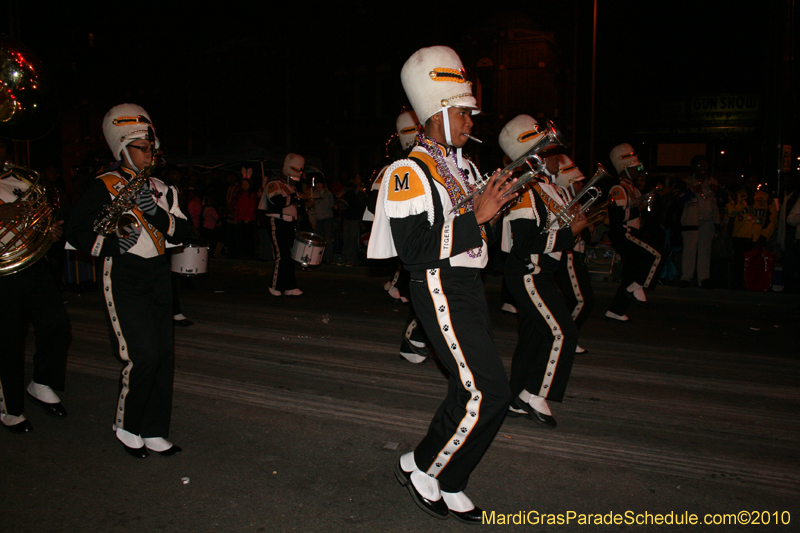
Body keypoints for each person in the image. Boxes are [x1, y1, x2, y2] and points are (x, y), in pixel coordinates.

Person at [369, 45, 515, 523]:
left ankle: (440, 473)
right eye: (463, 113)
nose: (472, 121)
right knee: (488, 391)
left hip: (465, 284)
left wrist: (493, 206)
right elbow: (413, 250)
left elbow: (471, 228)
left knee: (468, 387)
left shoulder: (463, 166)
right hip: (436, 284)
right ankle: (427, 471)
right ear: (436, 115)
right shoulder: (406, 172)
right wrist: (479, 216)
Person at [66, 103, 191, 458]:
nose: (150, 154)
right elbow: (75, 232)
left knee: (163, 355)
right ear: (122, 148)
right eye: (142, 147)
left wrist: (156, 213)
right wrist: (111, 245)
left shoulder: (163, 188)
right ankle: (127, 424)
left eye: (152, 148)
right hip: (123, 274)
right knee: (142, 355)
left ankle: (154, 429)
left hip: (158, 274)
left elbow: (183, 233)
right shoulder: (103, 186)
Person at [499, 115, 587, 429]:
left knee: (534, 337)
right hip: (528, 271)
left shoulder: (546, 188)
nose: (556, 159)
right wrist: (569, 232)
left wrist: (572, 223)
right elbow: (524, 244)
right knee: (563, 333)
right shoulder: (524, 189)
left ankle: (515, 396)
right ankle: (534, 394)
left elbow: (551, 232)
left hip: (541, 271)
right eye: (549, 152)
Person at [1, 164, 70, 433]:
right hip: (3, 273)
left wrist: (48, 231)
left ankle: (41, 382)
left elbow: (39, 216)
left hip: (32, 264)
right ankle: (10, 407)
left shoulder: (20, 179)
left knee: (57, 324)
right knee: (9, 339)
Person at [604, 143, 662, 322]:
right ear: (623, 169)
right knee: (656, 255)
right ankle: (637, 286)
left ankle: (616, 310)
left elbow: (643, 213)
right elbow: (618, 216)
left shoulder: (634, 190)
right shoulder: (618, 189)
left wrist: (649, 203)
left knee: (630, 273)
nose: (637, 171)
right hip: (624, 233)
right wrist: (640, 208)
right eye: (633, 168)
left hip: (633, 232)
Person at [553, 154, 594, 353]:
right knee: (581, 300)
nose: (582, 185)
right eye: (577, 182)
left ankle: (565, 337)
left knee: (576, 300)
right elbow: (571, 231)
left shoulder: (573, 201)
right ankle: (565, 338)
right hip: (568, 254)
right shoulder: (563, 201)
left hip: (576, 253)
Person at [262, 153, 304, 296]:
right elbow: (277, 202)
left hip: (289, 223)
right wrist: (296, 197)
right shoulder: (274, 184)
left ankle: (289, 286)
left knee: (290, 256)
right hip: (277, 222)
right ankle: (275, 286)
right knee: (281, 256)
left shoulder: (291, 188)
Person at [727, 175, 778, 289]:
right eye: (749, 182)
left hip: (758, 239)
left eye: (754, 182)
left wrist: (764, 235)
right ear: (744, 183)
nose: (752, 185)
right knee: (739, 268)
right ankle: (737, 290)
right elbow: (730, 212)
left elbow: (773, 220)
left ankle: (754, 289)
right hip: (740, 238)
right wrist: (743, 203)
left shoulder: (766, 198)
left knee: (755, 268)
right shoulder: (736, 196)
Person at [677, 155, 719, 288]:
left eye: (705, 165)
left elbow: (723, 199)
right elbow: (678, 200)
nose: (703, 168)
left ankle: (704, 278)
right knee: (689, 249)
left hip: (708, 221)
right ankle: (686, 277)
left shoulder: (713, 182)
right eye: (700, 165)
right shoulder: (686, 182)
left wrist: (718, 191)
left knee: (705, 250)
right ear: (694, 167)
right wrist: (691, 191)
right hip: (691, 221)